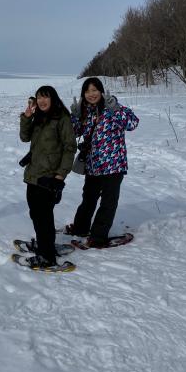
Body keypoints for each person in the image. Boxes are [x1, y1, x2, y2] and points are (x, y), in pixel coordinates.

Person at [64, 77, 139, 247]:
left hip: (113, 165)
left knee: (108, 203)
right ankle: (80, 228)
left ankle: (98, 237)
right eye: (87, 91)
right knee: (88, 199)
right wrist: (74, 116)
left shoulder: (113, 109)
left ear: (101, 91)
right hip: (93, 165)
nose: (91, 94)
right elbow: (72, 133)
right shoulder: (86, 112)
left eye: (95, 90)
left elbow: (132, 123)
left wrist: (115, 109)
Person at [19, 85, 76, 267]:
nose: (42, 101)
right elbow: (24, 138)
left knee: (43, 215)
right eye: (39, 98)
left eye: (46, 97)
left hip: (50, 177)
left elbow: (70, 148)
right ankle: (45, 244)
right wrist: (27, 118)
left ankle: (46, 256)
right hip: (33, 174)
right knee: (36, 213)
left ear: (53, 99)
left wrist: (60, 176)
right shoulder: (38, 117)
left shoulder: (62, 119)